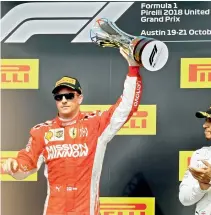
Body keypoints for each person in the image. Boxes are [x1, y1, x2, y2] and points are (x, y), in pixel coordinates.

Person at [1, 48, 142, 215]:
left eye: (69, 95)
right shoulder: (42, 132)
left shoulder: (95, 125)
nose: (64, 100)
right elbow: (26, 168)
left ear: (80, 98)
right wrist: (14, 167)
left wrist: (133, 70)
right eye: (59, 97)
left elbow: (126, 108)